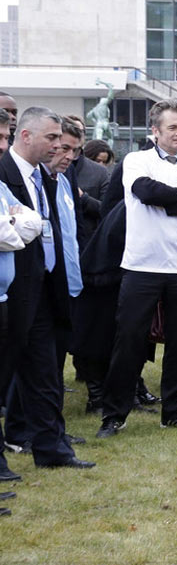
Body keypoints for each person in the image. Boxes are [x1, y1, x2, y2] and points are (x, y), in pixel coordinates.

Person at [96, 100, 177, 438]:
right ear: (155, 131)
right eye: (171, 127)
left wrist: (170, 203)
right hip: (141, 265)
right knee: (129, 339)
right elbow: (144, 191)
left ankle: (173, 410)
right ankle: (114, 414)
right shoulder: (137, 160)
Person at [0, 106, 95, 468]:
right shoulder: (4, 173)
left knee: (45, 375)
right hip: (11, 291)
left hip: (45, 289)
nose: (59, 146)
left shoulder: (47, 176)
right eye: (52, 138)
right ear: (26, 136)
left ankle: (51, 450)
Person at [0, 148, 43, 489]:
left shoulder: (1, 187)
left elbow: (33, 224)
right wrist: (14, 224)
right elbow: (9, 235)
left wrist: (14, 223)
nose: (3, 144)